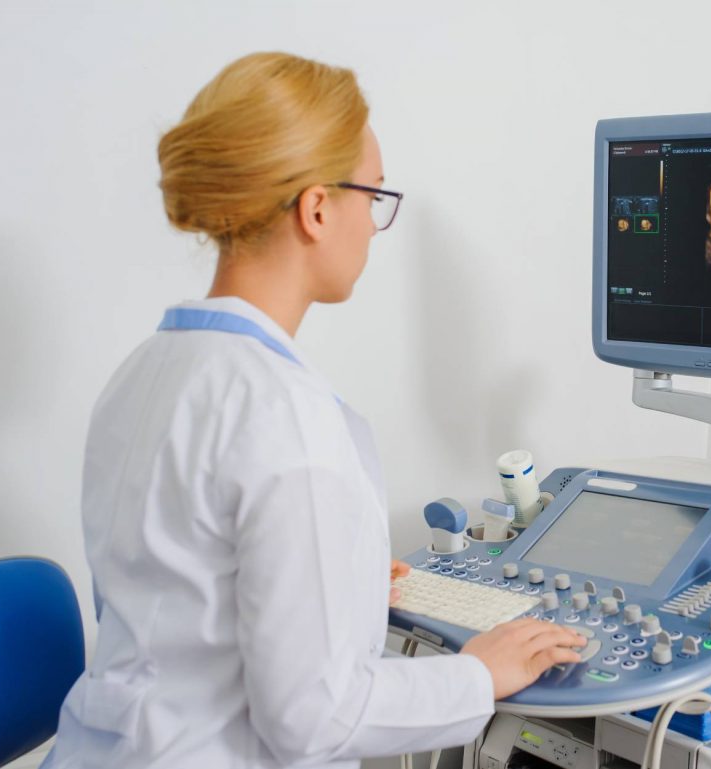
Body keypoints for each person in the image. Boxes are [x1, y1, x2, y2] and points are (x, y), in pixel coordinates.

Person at [42, 52, 584, 769]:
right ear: (319, 207)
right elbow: (315, 719)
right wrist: (477, 674)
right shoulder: (284, 415)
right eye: (373, 196)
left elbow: (176, 599)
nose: (373, 224)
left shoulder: (141, 371)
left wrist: (344, 576)